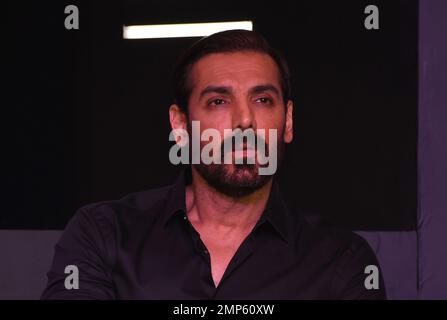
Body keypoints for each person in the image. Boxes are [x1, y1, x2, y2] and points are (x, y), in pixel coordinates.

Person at [42, 29, 386, 299]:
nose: (244, 121)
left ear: (288, 121)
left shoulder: (343, 261)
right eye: (219, 101)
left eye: (263, 99)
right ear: (180, 126)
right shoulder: (104, 235)